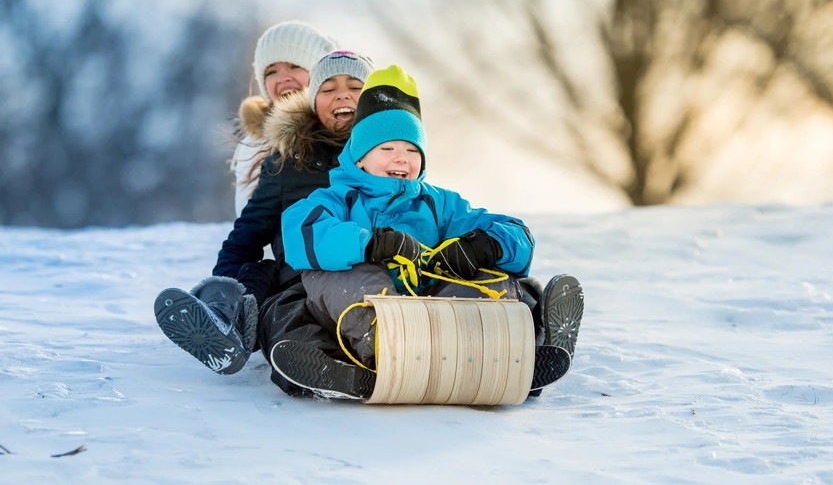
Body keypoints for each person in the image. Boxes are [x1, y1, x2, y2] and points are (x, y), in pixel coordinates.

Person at [271, 65, 586, 399]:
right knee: (336, 274)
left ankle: (506, 354)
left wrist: (485, 246)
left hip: (438, 317)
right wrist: (370, 244)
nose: (402, 159)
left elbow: (517, 233)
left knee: (494, 277)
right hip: (370, 324)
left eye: (412, 151)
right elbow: (301, 232)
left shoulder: (439, 203)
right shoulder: (335, 200)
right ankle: (376, 359)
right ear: (360, 158)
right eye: (387, 149)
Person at [154, 51, 377, 389]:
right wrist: (225, 287)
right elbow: (248, 234)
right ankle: (228, 323)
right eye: (328, 88)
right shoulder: (288, 161)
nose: (342, 94)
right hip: (299, 277)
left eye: (354, 86)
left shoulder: (389, 154)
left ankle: (358, 364)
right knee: (269, 294)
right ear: (313, 101)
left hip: (368, 272)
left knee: (347, 309)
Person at [232, 21, 337, 216]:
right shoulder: (253, 144)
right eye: (271, 71)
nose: (282, 78)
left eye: (295, 66)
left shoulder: (345, 134)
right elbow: (250, 222)